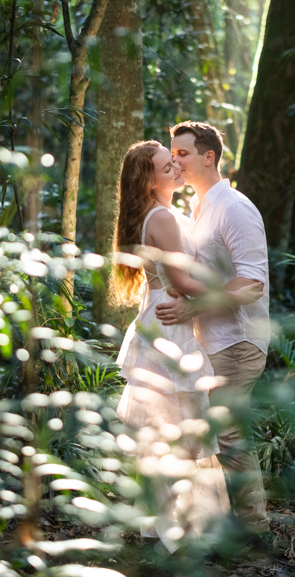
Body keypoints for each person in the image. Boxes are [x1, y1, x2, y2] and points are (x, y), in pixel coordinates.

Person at [110, 140, 264, 552]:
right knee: (182, 429)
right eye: (167, 164)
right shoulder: (161, 217)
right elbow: (183, 282)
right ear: (149, 180)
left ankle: (171, 526)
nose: (176, 167)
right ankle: (184, 531)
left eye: (178, 159)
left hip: (167, 321)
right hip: (170, 325)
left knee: (173, 428)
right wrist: (232, 291)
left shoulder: (168, 214)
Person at [156, 121, 272, 537]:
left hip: (238, 341)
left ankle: (257, 534)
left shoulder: (234, 207)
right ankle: (217, 528)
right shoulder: (200, 208)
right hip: (210, 342)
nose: (175, 160)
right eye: (172, 154)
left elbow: (252, 283)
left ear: (209, 157)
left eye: (183, 153)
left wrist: (194, 308)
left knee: (227, 436)